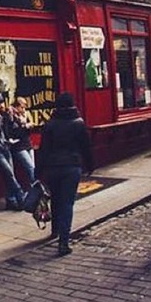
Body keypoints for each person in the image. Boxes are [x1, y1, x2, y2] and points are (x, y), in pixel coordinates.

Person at [39, 92, 93, 256]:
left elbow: (43, 150)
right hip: (72, 166)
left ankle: (55, 230)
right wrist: (90, 165)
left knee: (55, 198)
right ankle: (63, 241)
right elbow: (86, 147)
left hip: (53, 167)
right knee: (67, 203)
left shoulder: (50, 124)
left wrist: (39, 170)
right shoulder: (79, 123)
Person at [6, 97, 37, 188]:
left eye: (24, 107)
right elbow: (13, 132)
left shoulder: (24, 116)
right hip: (18, 147)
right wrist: (25, 127)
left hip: (28, 144)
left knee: (33, 168)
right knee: (30, 167)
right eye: (22, 107)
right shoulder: (11, 116)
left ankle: (33, 189)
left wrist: (29, 125)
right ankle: (36, 189)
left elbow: (30, 129)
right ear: (16, 106)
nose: (24, 110)